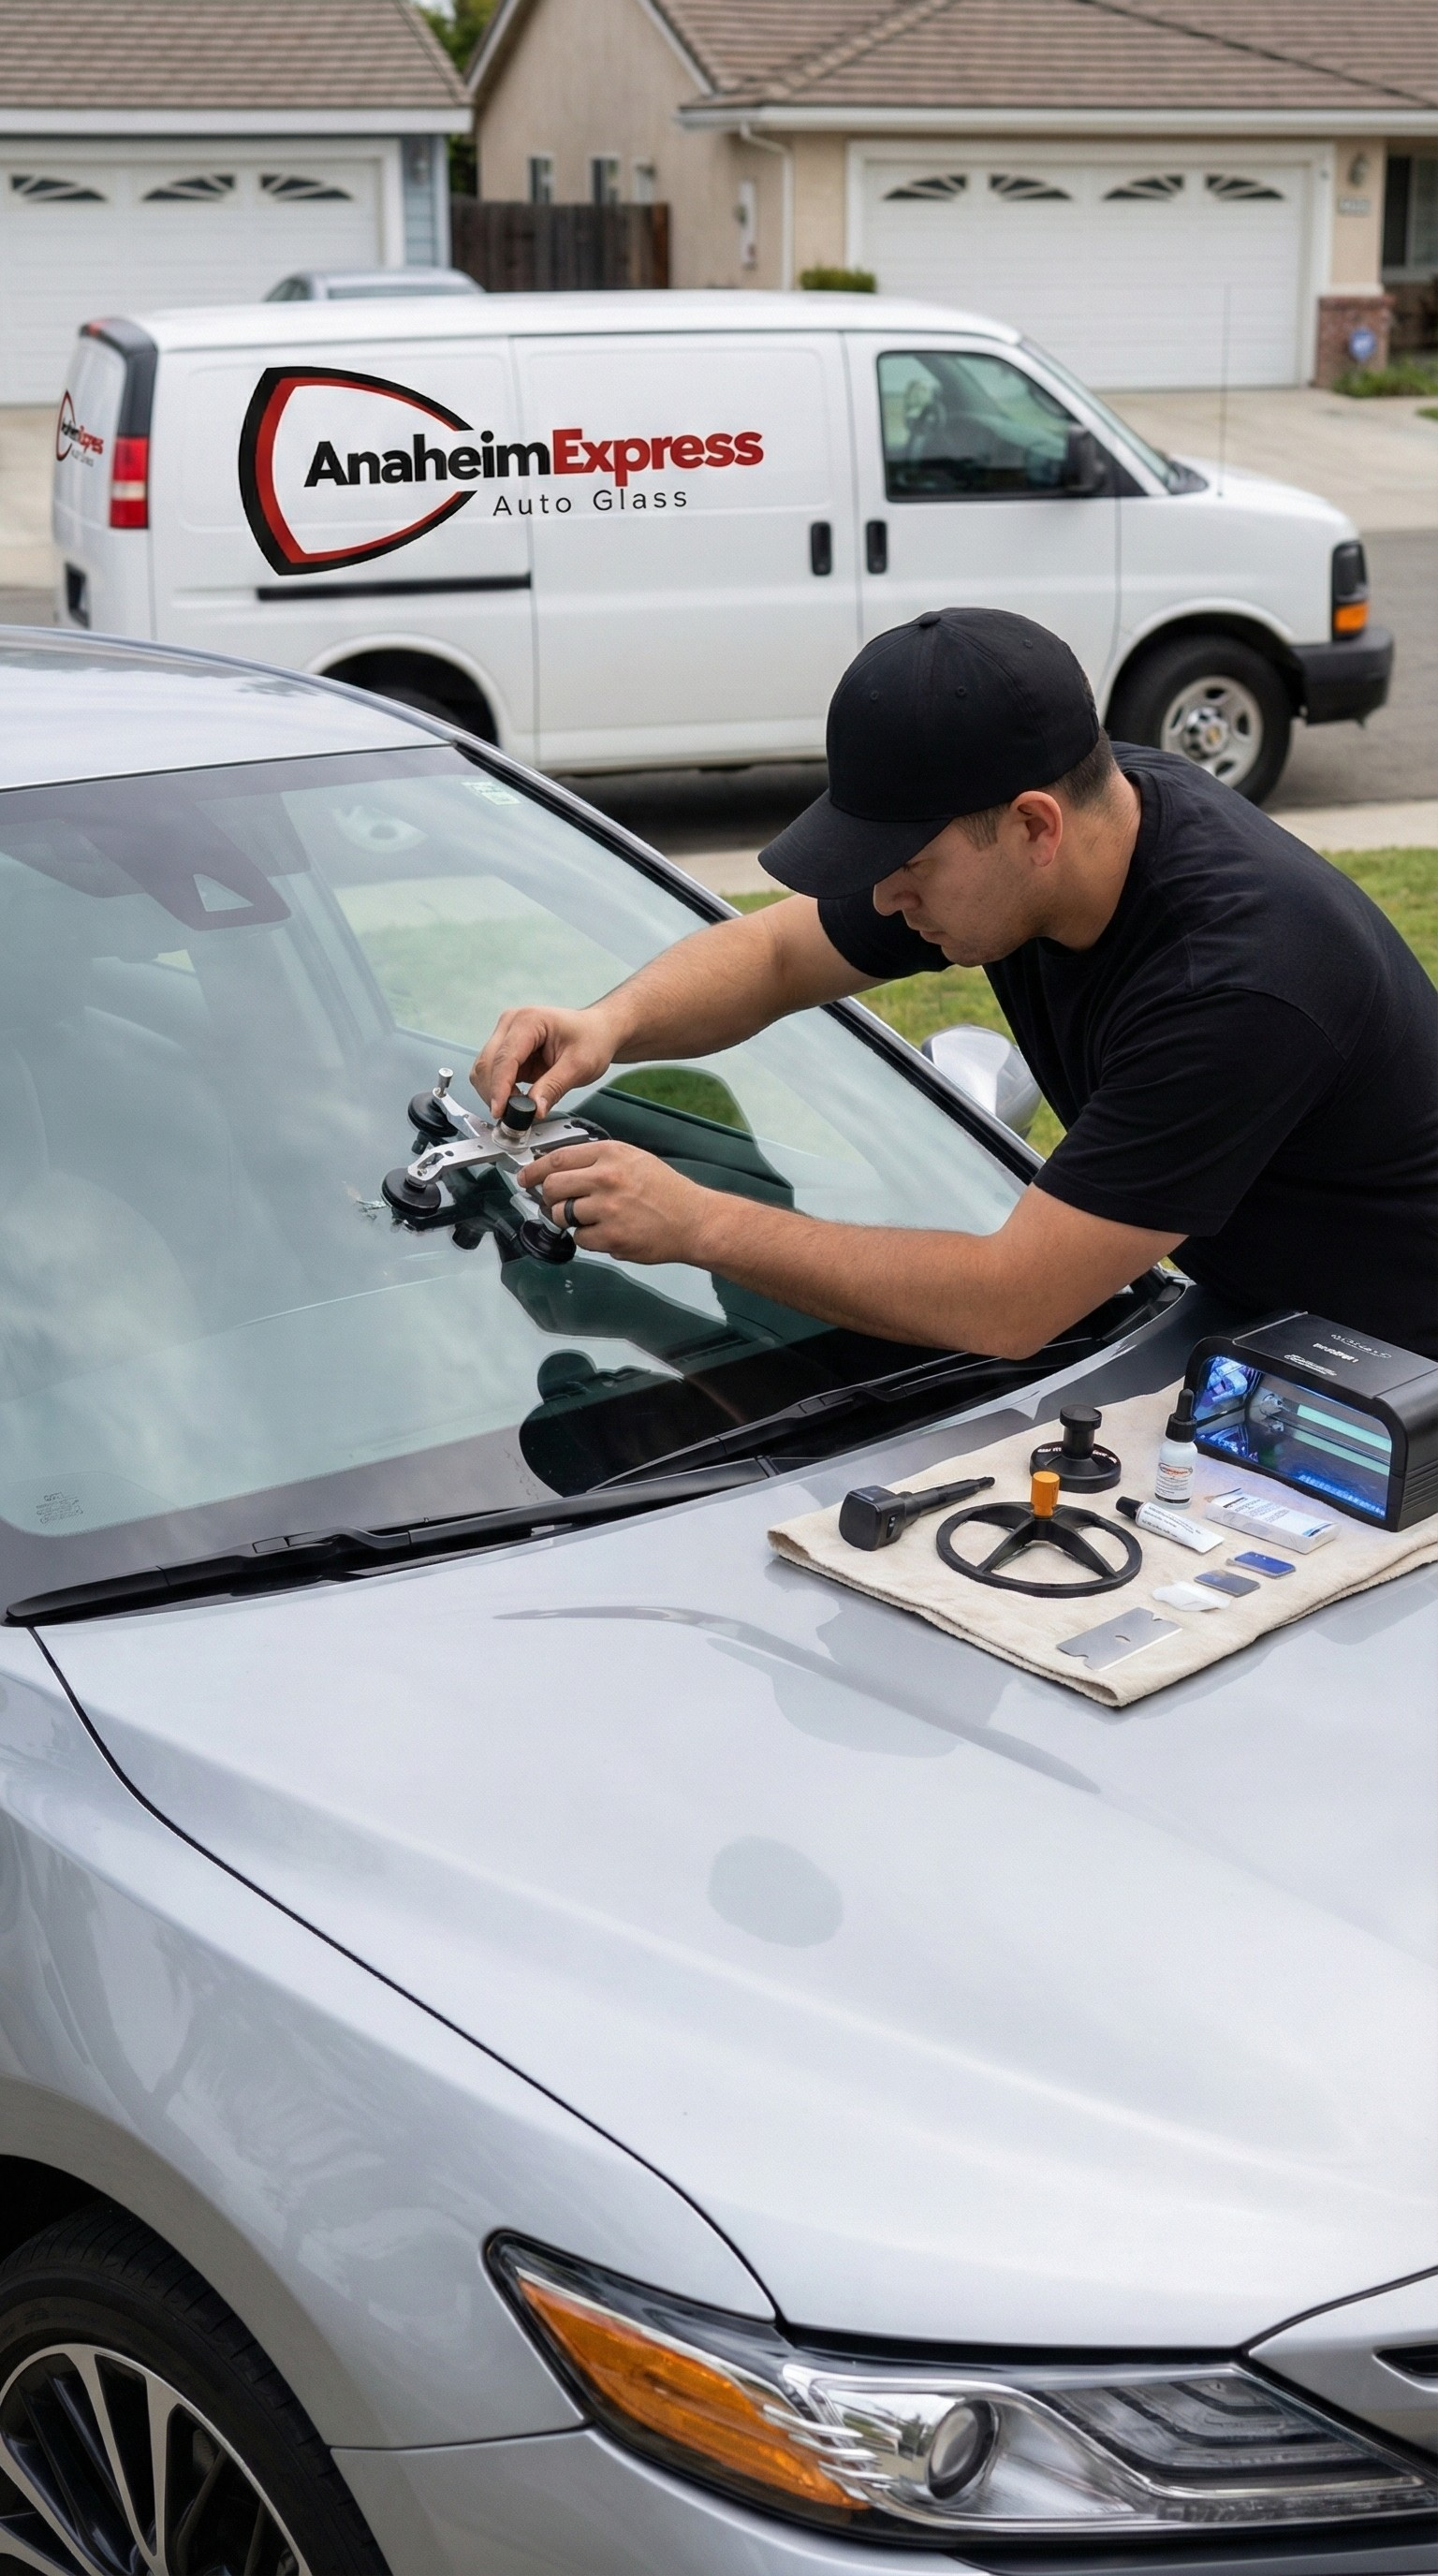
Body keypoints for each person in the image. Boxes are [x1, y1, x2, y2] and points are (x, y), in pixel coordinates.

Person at [475, 608, 1438, 1362]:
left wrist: (699, 1223)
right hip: (1266, 1333)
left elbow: (1011, 1301)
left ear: (1033, 828)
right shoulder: (1065, 831)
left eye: (906, 863)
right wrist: (609, 1022)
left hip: (1398, 1382)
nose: (883, 894)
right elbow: (776, 958)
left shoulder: (1232, 986)